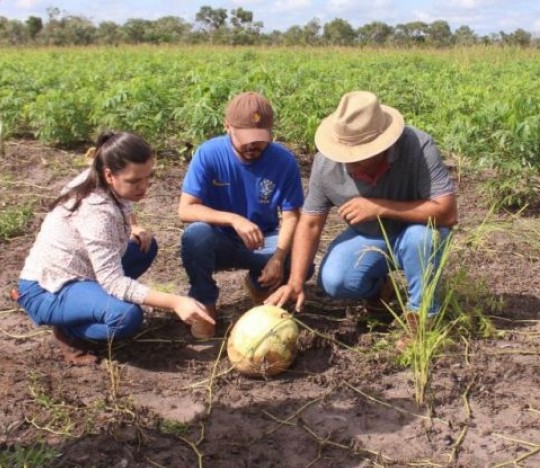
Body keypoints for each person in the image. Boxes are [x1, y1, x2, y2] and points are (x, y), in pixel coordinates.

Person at [266, 91, 458, 349]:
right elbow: (310, 223)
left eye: (358, 155)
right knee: (334, 280)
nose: (349, 162)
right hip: (370, 236)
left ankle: (422, 316)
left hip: (416, 230)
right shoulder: (326, 165)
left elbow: (447, 213)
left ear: (384, 145)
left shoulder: (417, 147)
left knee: (420, 239)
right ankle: (381, 290)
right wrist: (295, 281)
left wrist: (380, 207)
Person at [15, 132, 213, 365]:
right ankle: (68, 329)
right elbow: (113, 281)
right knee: (126, 317)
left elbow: (124, 203)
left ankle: (87, 305)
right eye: (134, 181)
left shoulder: (99, 178)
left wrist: (134, 226)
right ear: (109, 175)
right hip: (47, 289)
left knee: (144, 248)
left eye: (148, 177)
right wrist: (176, 302)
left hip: (85, 272)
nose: (144, 187)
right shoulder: (97, 211)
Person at [178, 92, 306, 340]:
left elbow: (292, 216)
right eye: (246, 139)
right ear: (227, 127)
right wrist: (234, 219)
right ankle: (206, 303)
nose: (253, 147)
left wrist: (278, 258)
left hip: (263, 241)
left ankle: (261, 285)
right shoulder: (209, 154)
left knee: (300, 258)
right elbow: (186, 209)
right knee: (195, 236)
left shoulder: (284, 161)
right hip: (219, 240)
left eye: (260, 140)